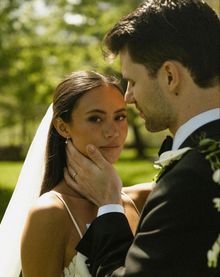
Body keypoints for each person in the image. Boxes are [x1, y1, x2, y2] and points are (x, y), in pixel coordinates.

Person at [64, 1, 220, 276]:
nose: (128, 97)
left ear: (170, 76)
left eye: (133, 82)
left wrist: (109, 204)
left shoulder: (189, 181)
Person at [0, 70, 152, 277]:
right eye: (95, 119)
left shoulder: (145, 199)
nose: (113, 131)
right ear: (63, 127)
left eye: (120, 116)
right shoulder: (49, 213)